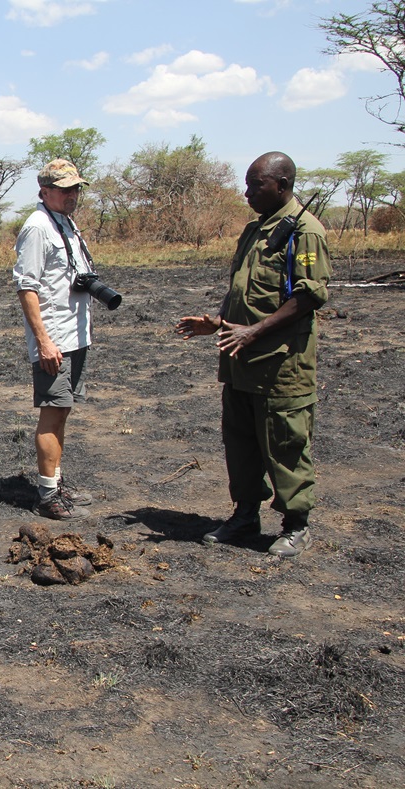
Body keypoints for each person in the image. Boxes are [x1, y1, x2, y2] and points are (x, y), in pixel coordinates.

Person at [177, 151, 331, 558]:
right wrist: (218, 321)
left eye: (255, 185)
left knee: (285, 443)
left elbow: (308, 296)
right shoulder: (255, 229)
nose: (247, 193)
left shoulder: (306, 232)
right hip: (240, 360)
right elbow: (243, 289)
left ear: (281, 185)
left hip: (281, 364)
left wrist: (254, 332)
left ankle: (296, 525)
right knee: (241, 444)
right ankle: (245, 514)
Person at [12, 159, 98, 521]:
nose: (72, 195)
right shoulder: (37, 227)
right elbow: (26, 287)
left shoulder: (63, 222)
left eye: (76, 188)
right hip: (55, 338)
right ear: (44, 191)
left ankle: (56, 481)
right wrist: (44, 342)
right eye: (64, 189)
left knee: (62, 410)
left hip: (74, 333)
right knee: (52, 413)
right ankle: (47, 495)